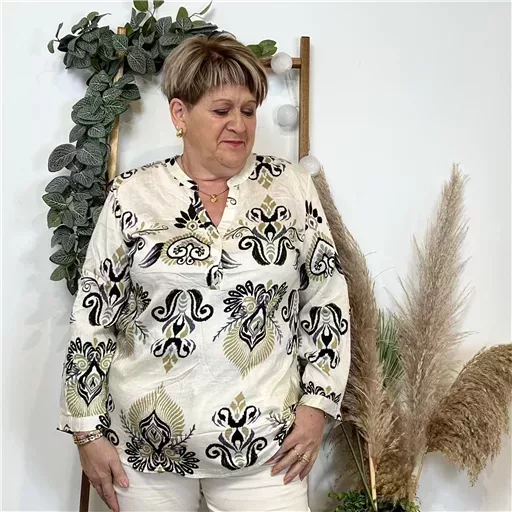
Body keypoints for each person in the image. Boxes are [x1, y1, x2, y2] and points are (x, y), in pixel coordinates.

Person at [58, 33, 351, 512]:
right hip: (144, 452)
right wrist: (87, 432)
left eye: (249, 110)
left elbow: (325, 299)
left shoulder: (292, 188)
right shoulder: (133, 194)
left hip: (267, 451)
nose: (239, 124)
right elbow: (94, 315)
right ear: (180, 114)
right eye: (221, 110)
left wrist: (316, 405)